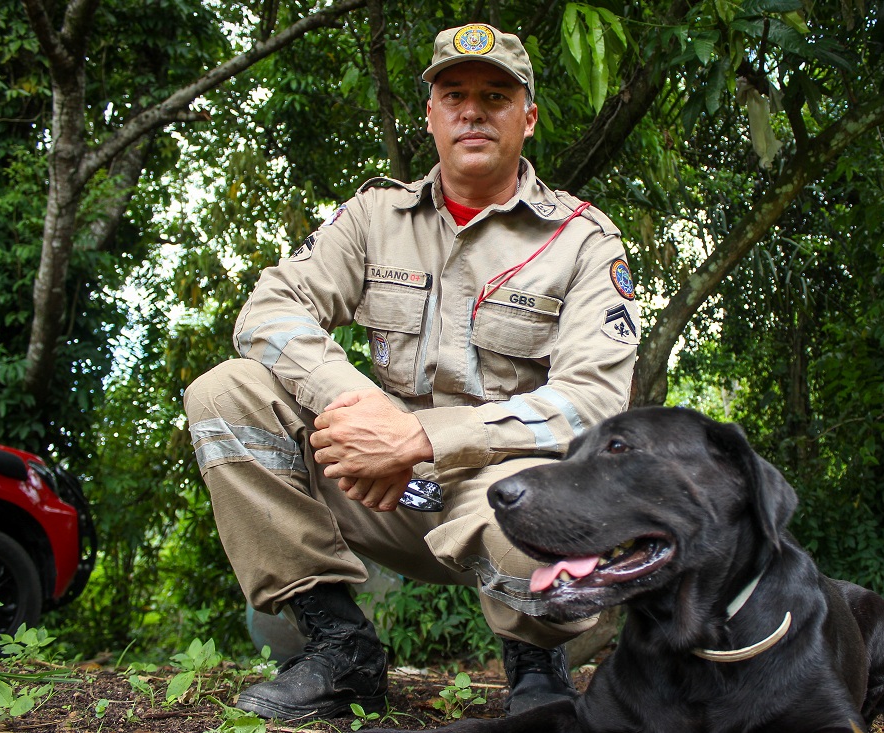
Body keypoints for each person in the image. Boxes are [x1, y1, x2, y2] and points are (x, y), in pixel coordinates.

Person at [183, 22, 640, 721]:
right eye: (453, 94)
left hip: (504, 496)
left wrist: (428, 441)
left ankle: (537, 668)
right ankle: (340, 648)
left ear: (529, 116)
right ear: (430, 115)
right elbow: (270, 309)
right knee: (226, 392)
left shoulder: (581, 241)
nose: (472, 110)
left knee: (551, 517)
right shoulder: (373, 217)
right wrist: (367, 411)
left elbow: (594, 401)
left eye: (495, 95)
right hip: (377, 482)